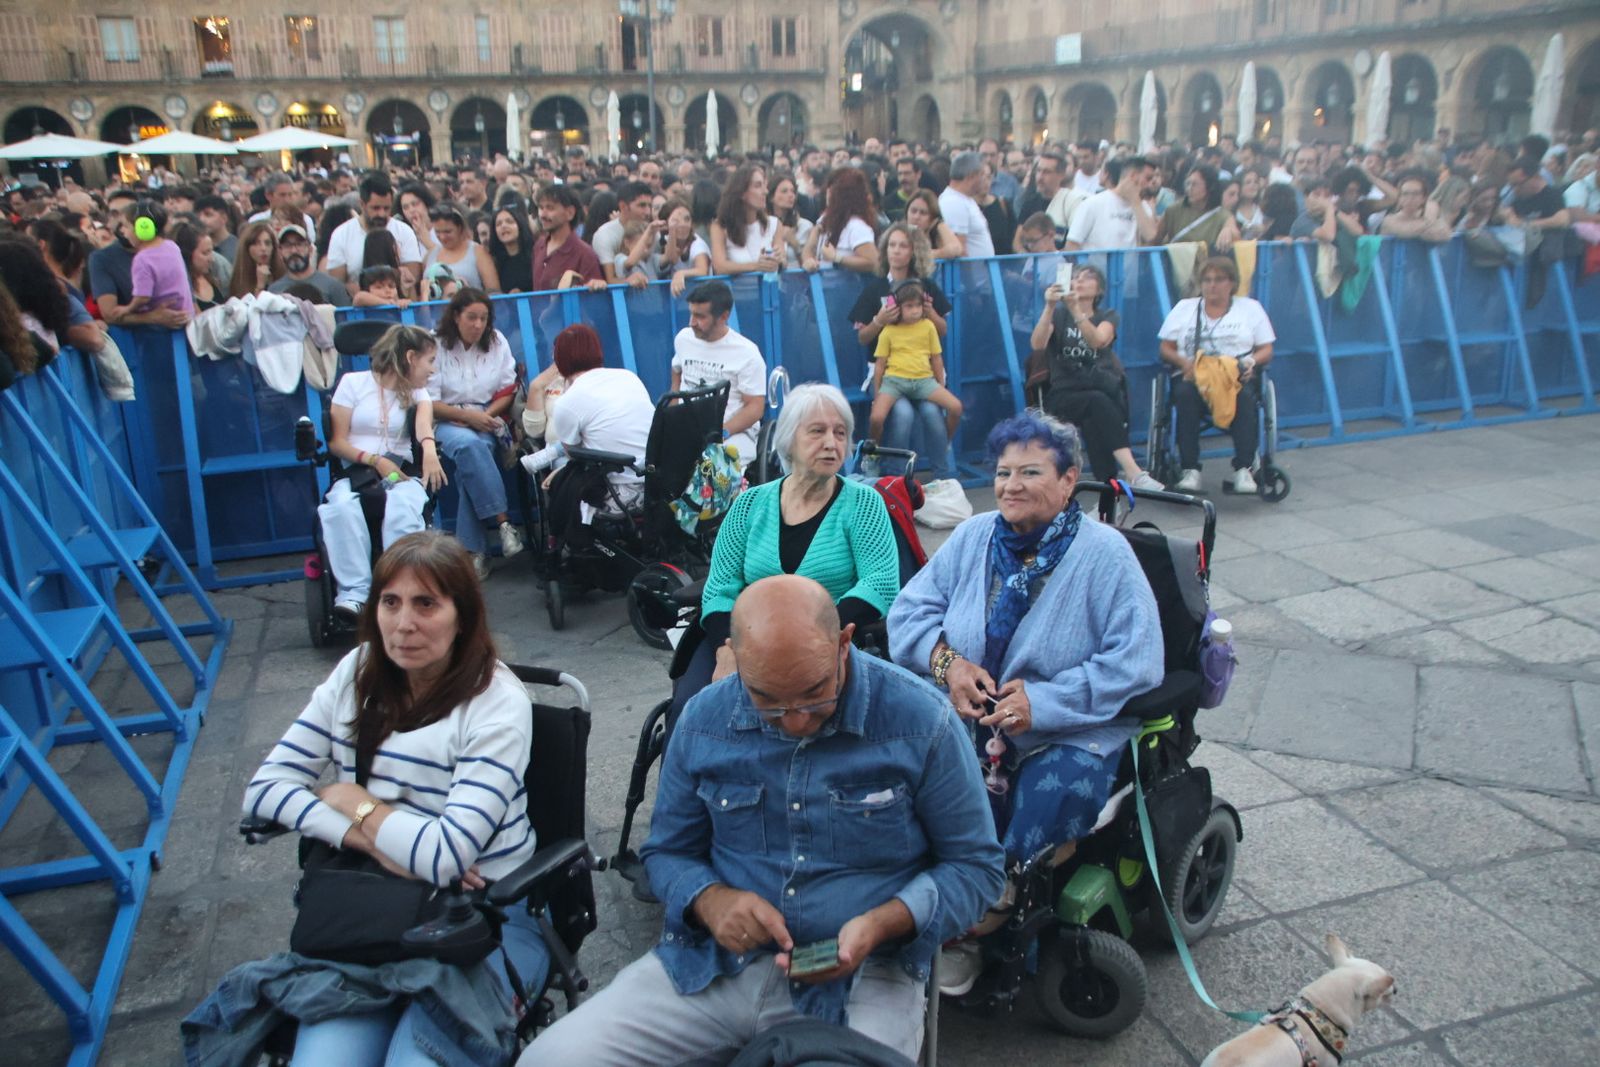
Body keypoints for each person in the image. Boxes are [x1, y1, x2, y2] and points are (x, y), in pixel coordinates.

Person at [523, 573, 1003, 1064]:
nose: (795, 720)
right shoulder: (704, 721)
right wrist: (709, 899)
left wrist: (885, 922)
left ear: (844, 643)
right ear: (734, 656)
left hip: (866, 977)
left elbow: (978, 868)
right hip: (711, 967)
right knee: (552, 1058)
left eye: (814, 692)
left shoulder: (921, 722)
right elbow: (666, 852)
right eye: (767, 700)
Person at [209, 530, 547, 1066]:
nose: (403, 623)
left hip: (481, 919)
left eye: (426, 604)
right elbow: (264, 791)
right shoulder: (358, 671)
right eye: (390, 602)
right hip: (371, 908)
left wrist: (351, 799)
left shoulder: (497, 703)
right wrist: (369, 842)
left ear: (463, 616)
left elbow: (446, 858)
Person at [887, 410, 1162, 995]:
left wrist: (1046, 702)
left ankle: (986, 916)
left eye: (1030, 472)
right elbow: (908, 613)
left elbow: (1137, 660)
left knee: (1045, 798)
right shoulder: (974, 536)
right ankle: (919, 890)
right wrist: (950, 666)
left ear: (1068, 480)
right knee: (912, 777)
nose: (1010, 485)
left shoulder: (1106, 554)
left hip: (1068, 727)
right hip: (968, 714)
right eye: (1003, 472)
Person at [318, 324, 446, 618]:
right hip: (357, 470)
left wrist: (429, 450)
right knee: (340, 508)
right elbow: (336, 441)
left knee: (402, 505)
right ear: (410, 357)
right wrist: (375, 460)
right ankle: (355, 593)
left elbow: (423, 426)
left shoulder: (417, 392)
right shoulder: (352, 384)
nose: (432, 370)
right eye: (429, 361)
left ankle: (402, 587)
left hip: (399, 472)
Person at [1031, 264, 1161, 490]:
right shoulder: (1059, 315)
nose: (1080, 280)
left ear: (1099, 289)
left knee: (1095, 419)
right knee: (1098, 403)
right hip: (1063, 393)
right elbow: (1037, 344)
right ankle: (1133, 472)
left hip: (1096, 389)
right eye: (1076, 277)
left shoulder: (1107, 316)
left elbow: (1098, 341)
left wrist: (1076, 311)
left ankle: (1107, 495)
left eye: (1088, 277)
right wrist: (1050, 306)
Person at [427, 288, 524, 580]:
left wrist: (484, 417)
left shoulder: (497, 341)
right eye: (472, 317)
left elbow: (508, 390)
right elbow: (428, 401)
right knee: (471, 447)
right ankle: (503, 522)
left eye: (483, 318)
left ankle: (475, 552)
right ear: (456, 316)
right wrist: (466, 417)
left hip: (487, 414)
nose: (478, 324)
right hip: (447, 418)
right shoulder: (435, 343)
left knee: (473, 458)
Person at [1158, 256, 1275, 495]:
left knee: (1245, 398)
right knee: (1184, 395)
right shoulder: (1185, 308)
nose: (1212, 285)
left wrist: (1251, 361)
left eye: (1219, 279)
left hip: (1234, 375)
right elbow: (1165, 348)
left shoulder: (1250, 308)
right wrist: (1183, 362)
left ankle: (1244, 469)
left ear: (1231, 283)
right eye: (1207, 280)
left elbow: (1266, 349)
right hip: (1194, 376)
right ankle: (1190, 469)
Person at [522, 323, 655, 533]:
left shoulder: (568, 401)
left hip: (617, 493)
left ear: (560, 361)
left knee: (565, 477)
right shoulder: (629, 377)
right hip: (655, 486)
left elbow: (574, 454)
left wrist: (559, 472)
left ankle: (568, 541)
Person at [670, 280, 767, 471]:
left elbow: (755, 407)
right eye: (691, 313)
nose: (692, 322)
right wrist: (673, 413)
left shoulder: (747, 353)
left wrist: (721, 433)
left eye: (700, 316)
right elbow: (676, 369)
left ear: (723, 316)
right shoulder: (684, 338)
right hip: (689, 430)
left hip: (732, 434)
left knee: (713, 474)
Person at [868, 279, 962, 448]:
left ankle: (945, 442)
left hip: (924, 381)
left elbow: (936, 359)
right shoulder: (888, 331)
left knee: (956, 407)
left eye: (918, 305)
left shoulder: (929, 327)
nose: (915, 310)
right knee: (876, 418)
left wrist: (941, 385)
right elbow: (880, 365)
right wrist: (877, 395)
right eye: (909, 306)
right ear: (897, 308)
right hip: (894, 382)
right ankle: (873, 452)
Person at [327, 173, 425, 297]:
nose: (382, 214)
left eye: (386, 208)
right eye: (376, 208)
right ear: (362, 204)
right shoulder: (341, 234)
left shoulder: (404, 231)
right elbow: (337, 284)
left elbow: (411, 279)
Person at [1066, 156, 1159, 251]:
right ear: (1133, 176)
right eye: (1148, 179)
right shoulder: (1093, 203)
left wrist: (1135, 202)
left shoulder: (1142, 207)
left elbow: (1150, 236)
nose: (1150, 184)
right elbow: (1072, 244)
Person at [124, 200, 195, 319]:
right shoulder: (172, 246)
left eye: (126, 227)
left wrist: (127, 310)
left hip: (166, 323)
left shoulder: (142, 259)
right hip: (186, 318)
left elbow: (143, 297)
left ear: (143, 228)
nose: (123, 232)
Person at [710, 164, 784, 276]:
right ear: (742, 192)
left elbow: (783, 261)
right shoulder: (720, 226)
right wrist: (756, 266)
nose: (765, 191)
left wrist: (779, 260)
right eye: (758, 186)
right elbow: (719, 266)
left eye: (764, 185)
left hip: (769, 286)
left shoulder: (774, 224)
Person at [801, 167, 878, 273]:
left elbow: (873, 262)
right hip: (823, 282)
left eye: (834, 189)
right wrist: (809, 260)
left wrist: (837, 258)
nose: (828, 192)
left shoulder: (856, 226)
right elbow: (808, 251)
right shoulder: (825, 219)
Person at [531, 185, 607, 291]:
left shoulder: (585, 254)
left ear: (570, 213)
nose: (542, 214)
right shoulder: (539, 246)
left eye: (550, 208)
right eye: (541, 208)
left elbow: (593, 297)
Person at [1158, 165, 1239, 251]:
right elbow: (1155, 241)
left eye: (1195, 184)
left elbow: (1234, 232)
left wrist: (1228, 231)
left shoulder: (1222, 215)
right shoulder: (1173, 210)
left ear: (1210, 187)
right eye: (1188, 183)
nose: (1189, 188)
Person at [424, 203, 500, 294]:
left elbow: (494, 291)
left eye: (447, 232)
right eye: (437, 232)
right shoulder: (431, 254)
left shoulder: (478, 252)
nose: (442, 237)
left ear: (459, 228)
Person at [268, 224, 351, 306]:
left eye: (299, 244)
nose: (294, 251)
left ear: (310, 249)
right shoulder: (274, 291)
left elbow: (344, 313)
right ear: (280, 252)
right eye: (287, 246)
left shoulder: (333, 286)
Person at [937, 151, 994, 258]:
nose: (984, 179)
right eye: (982, 174)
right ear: (971, 176)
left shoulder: (964, 199)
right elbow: (959, 250)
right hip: (971, 269)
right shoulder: (954, 202)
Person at [1377, 171, 1453, 242]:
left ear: (1424, 198)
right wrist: (1430, 223)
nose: (1410, 198)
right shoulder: (1389, 220)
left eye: (1416, 194)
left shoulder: (1428, 217)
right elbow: (1407, 231)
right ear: (1399, 198)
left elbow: (1446, 234)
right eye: (1405, 194)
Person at [168, 221, 221, 313]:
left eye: (211, 251)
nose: (211, 259)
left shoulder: (213, 276)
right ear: (187, 254)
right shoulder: (181, 288)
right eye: (205, 253)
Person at [228, 220, 287, 299]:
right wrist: (260, 286)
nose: (263, 248)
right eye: (256, 243)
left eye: (267, 243)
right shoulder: (239, 278)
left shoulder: (283, 273)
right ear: (247, 247)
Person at [767, 174, 814, 268]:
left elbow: (810, 262)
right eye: (784, 191)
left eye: (792, 191)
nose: (790, 195)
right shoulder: (764, 224)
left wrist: (794, 243)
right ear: (771, 197)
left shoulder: (804, 226)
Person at [905, 189, 965, 260]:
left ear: (932, 218)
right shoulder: (900, 230)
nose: (916, 217)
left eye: (923, 213)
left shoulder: (938, 227)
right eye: (913, 211)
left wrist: (930, 254)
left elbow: (956, 248)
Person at [488, 204, 535, 294]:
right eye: (498, 224)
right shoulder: (493, 262)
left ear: (520, 225)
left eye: (509, 222)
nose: (503, 226)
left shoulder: (535, 254)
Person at [397, 181, 438, 261]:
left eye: (415, 204)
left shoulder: (442, 229)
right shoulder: (405, 236)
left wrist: (427, 241)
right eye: (405, 207)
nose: (411, 210)